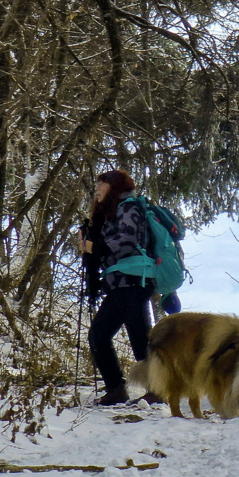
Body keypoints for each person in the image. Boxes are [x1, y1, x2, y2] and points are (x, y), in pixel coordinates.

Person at [80, 169, 155, 406]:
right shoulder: (112, 211)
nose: (97, 189)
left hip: (132, 282)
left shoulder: (128, 207)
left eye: (102, 184)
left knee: (110, 335)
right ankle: (136, 389)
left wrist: (96, 247)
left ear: (114, 187)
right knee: (126, 337)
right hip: (124, 282)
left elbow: (127, 239)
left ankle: (131, 389)